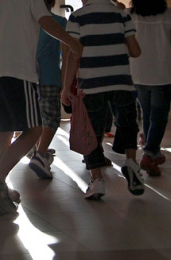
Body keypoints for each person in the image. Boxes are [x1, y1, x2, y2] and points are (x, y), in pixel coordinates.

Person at [0, 0, 82, 215]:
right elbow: (46, 22)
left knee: (3, 132)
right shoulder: (31, 0)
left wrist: (3, 33)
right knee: (34, 129)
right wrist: (71, 42)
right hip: (17, 73)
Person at [61, 0, 143, 200]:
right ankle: (131, 162)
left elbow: (73, 55)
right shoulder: (121, 15)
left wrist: (65, 88)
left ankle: (97, 180)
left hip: (92, 85)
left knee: (92, 133)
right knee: (127, 124)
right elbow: (135, 51)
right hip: (121, 82)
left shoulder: (77, 17)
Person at [128, 0, 171, 176]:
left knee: (147, 113)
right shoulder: (168, 15)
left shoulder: (131, 16)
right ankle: (149, 153)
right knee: (159, 116)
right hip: (163, 72)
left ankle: (155, 153)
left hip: (137, 72)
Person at [28, 0, 67, 179]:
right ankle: (41, 153)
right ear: (52, 3)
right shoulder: (59, 22)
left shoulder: (26, 21)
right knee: (50, 117)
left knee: (34, 116)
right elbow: (65, 53)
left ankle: (36, 148)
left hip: (28, 76)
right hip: (50, 75)